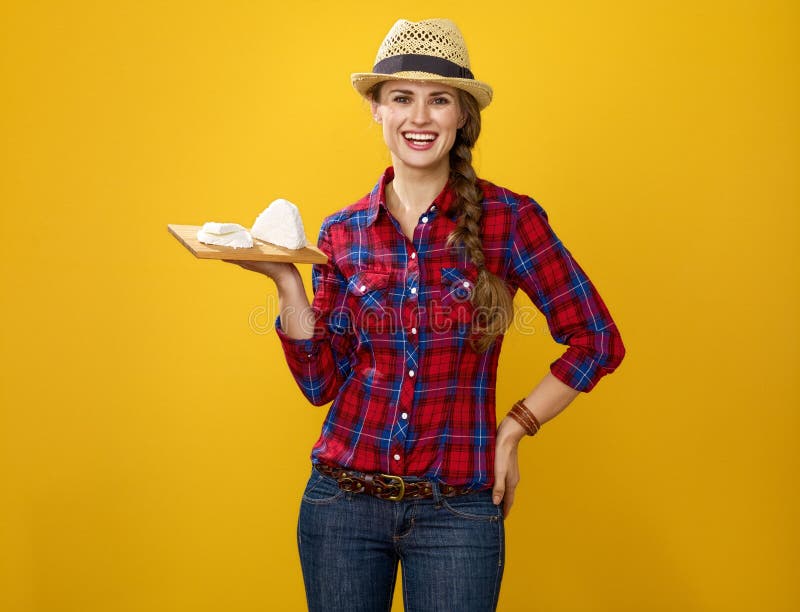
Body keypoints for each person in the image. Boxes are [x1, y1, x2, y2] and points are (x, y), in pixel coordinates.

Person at [226, 18, 625, 612]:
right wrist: (286, 280)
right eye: (401, 99)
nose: (420, 117)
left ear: (461, 115)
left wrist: (513, 428)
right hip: (341, 507)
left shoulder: (508, 220)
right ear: (376, 110)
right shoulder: (341, 233)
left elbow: (596, 339)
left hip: (458, 512)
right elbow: (319, 383)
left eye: (439, 100)